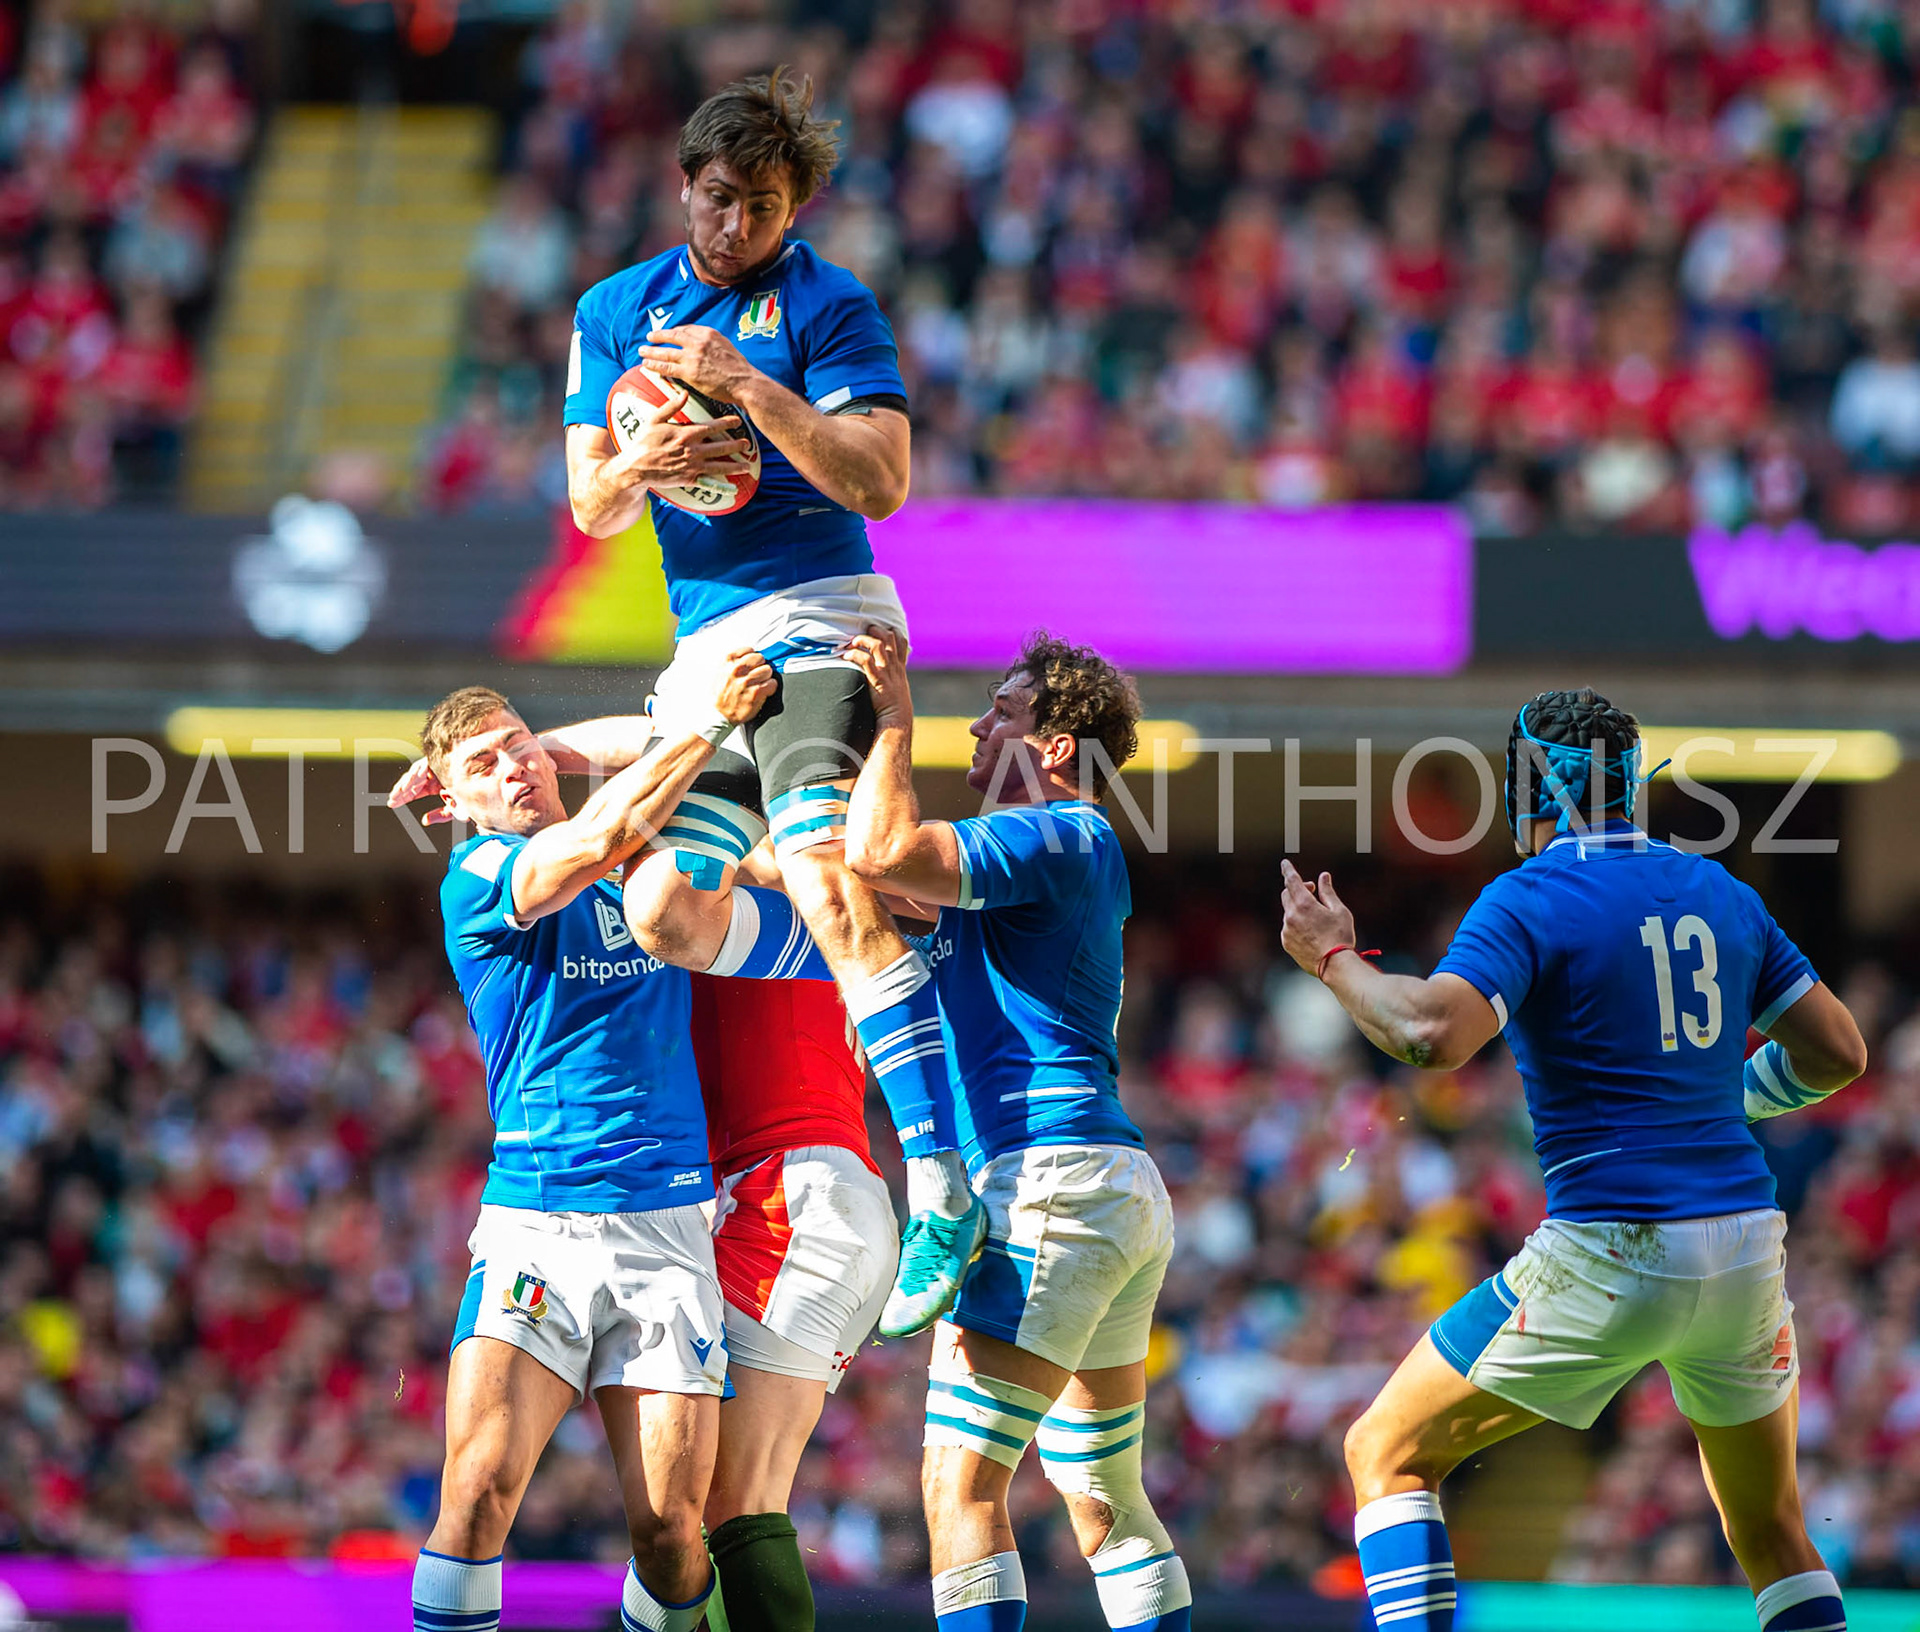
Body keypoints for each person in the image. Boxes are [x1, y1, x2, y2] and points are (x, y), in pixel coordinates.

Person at [1278, 688, 1868, 1632]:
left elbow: (1431, 1034)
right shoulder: (1725, 892)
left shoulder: (1533, 896)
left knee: (1385, 1451)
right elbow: (1838, 1053)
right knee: (1772, 1531)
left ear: (1538, 784)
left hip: (1616, 1242)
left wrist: (1332, 957)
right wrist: (1736, 1098)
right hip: (1745, 1248)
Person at [561, 67, 982, 1335]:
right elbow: (590, 505)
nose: (737, 226)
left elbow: (882, 482)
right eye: (720, 198)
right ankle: (897, 968)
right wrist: (646, 452)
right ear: (684, 182)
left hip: (824, 619)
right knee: (665, 910)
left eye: (764, 207)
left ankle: (941, 1180)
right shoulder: (613, 307)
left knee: (812, 855)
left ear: (795, 208)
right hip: (708, 650)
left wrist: (748, 392)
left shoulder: (828, 306)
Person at [401, 656, 774, 1632]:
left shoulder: (623, 855)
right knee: (478, 1490)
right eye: (484, 765)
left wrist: (550, 749)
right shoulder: (484, 875)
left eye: (520, 745)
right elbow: (608, 822)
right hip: (539, 1225)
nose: (513, 767)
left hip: (666, 1227)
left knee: (671, 1532)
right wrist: (712, 727)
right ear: (451, 802)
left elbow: (631, 764)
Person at [836, 625, 1193, 1632]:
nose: (979, 725)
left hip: (1045, 1184)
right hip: (1104, 1185)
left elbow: (881, 851)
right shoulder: (1040, 861)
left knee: (961, 1494)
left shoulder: (1054, 831)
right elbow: (859, 881)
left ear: (1057, 750)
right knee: (1107, 1503)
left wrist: (891, 716)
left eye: (1004, 712)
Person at [690, 974, 898, 1632]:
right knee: (715, 1505)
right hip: (835, 1188)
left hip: (787, 1195)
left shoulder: (744, 892)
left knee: (732, 1504)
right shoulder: (823, 900)